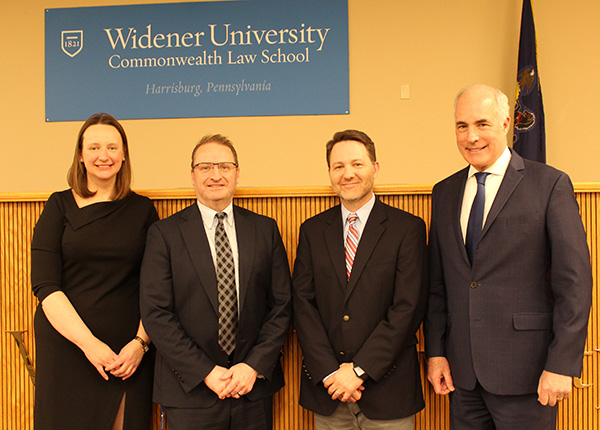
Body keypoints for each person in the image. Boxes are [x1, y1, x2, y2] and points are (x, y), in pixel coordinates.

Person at [425, 84, 593, 429]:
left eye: (481, 124)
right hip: (463, 377)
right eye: (462, 126)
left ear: (505, 124)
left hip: (529, 375)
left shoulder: (549, 184)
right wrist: (436, 352)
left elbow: (573, 283)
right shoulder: (444, 192)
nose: (471, 136)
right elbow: (438, 284)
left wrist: (562, 363)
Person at [140, 134, 292, 430]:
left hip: (252, 390)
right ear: (193, 176)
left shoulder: (265, 230)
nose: (216, 175)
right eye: (205, 167)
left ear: (237, 173)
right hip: (190, 391)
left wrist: (253, 367)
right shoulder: (165, 234)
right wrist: (206, 372)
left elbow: (282, 306)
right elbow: (156, 312)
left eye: (224, 166)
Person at [292, 130, 428, 429]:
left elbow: (408, 308)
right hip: (329, 392)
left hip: (388, 390)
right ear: (330, 172)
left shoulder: (407, 228)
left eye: (357, 164)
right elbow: (303, 305)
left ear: (375, 168)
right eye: (338, 166)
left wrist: (358, 370)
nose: (347, 174)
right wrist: (331, 373)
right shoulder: (312, 231)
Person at [31, 113, 159, 429]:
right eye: (94, 147)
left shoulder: (142, 210)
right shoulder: (58, 206)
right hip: (68, 345)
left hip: (127, 354)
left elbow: (157, 286)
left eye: (112, 147)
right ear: (80, 155)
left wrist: (141, 344)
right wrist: (90, 345)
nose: (104, 156)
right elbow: (45, 285)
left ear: (124, 153)